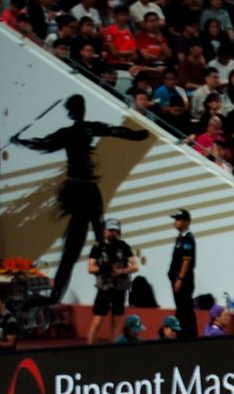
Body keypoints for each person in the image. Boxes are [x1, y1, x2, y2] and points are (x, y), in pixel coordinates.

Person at [19, 93, 148, 300]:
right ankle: (61, 294)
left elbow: (43, 144)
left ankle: (65, 292)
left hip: (82, 191)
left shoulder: (72, 132)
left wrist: (21, 142)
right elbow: (114, 130)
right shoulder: (83, 129)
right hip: (84, 191)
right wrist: (137, 135)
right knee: (88, 243)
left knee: (84, 245)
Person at [169, 209, 198, 339]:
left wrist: (180, 278)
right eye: (175, 219)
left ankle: (188, 335)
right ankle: (181, 334)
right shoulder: (180, 238)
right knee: (180, 309)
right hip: (177, 278)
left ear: (186, 222)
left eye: (179, 219)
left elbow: (187, 260)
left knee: (185, 309)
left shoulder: (188, 239)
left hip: (184, 281)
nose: (176, 222)